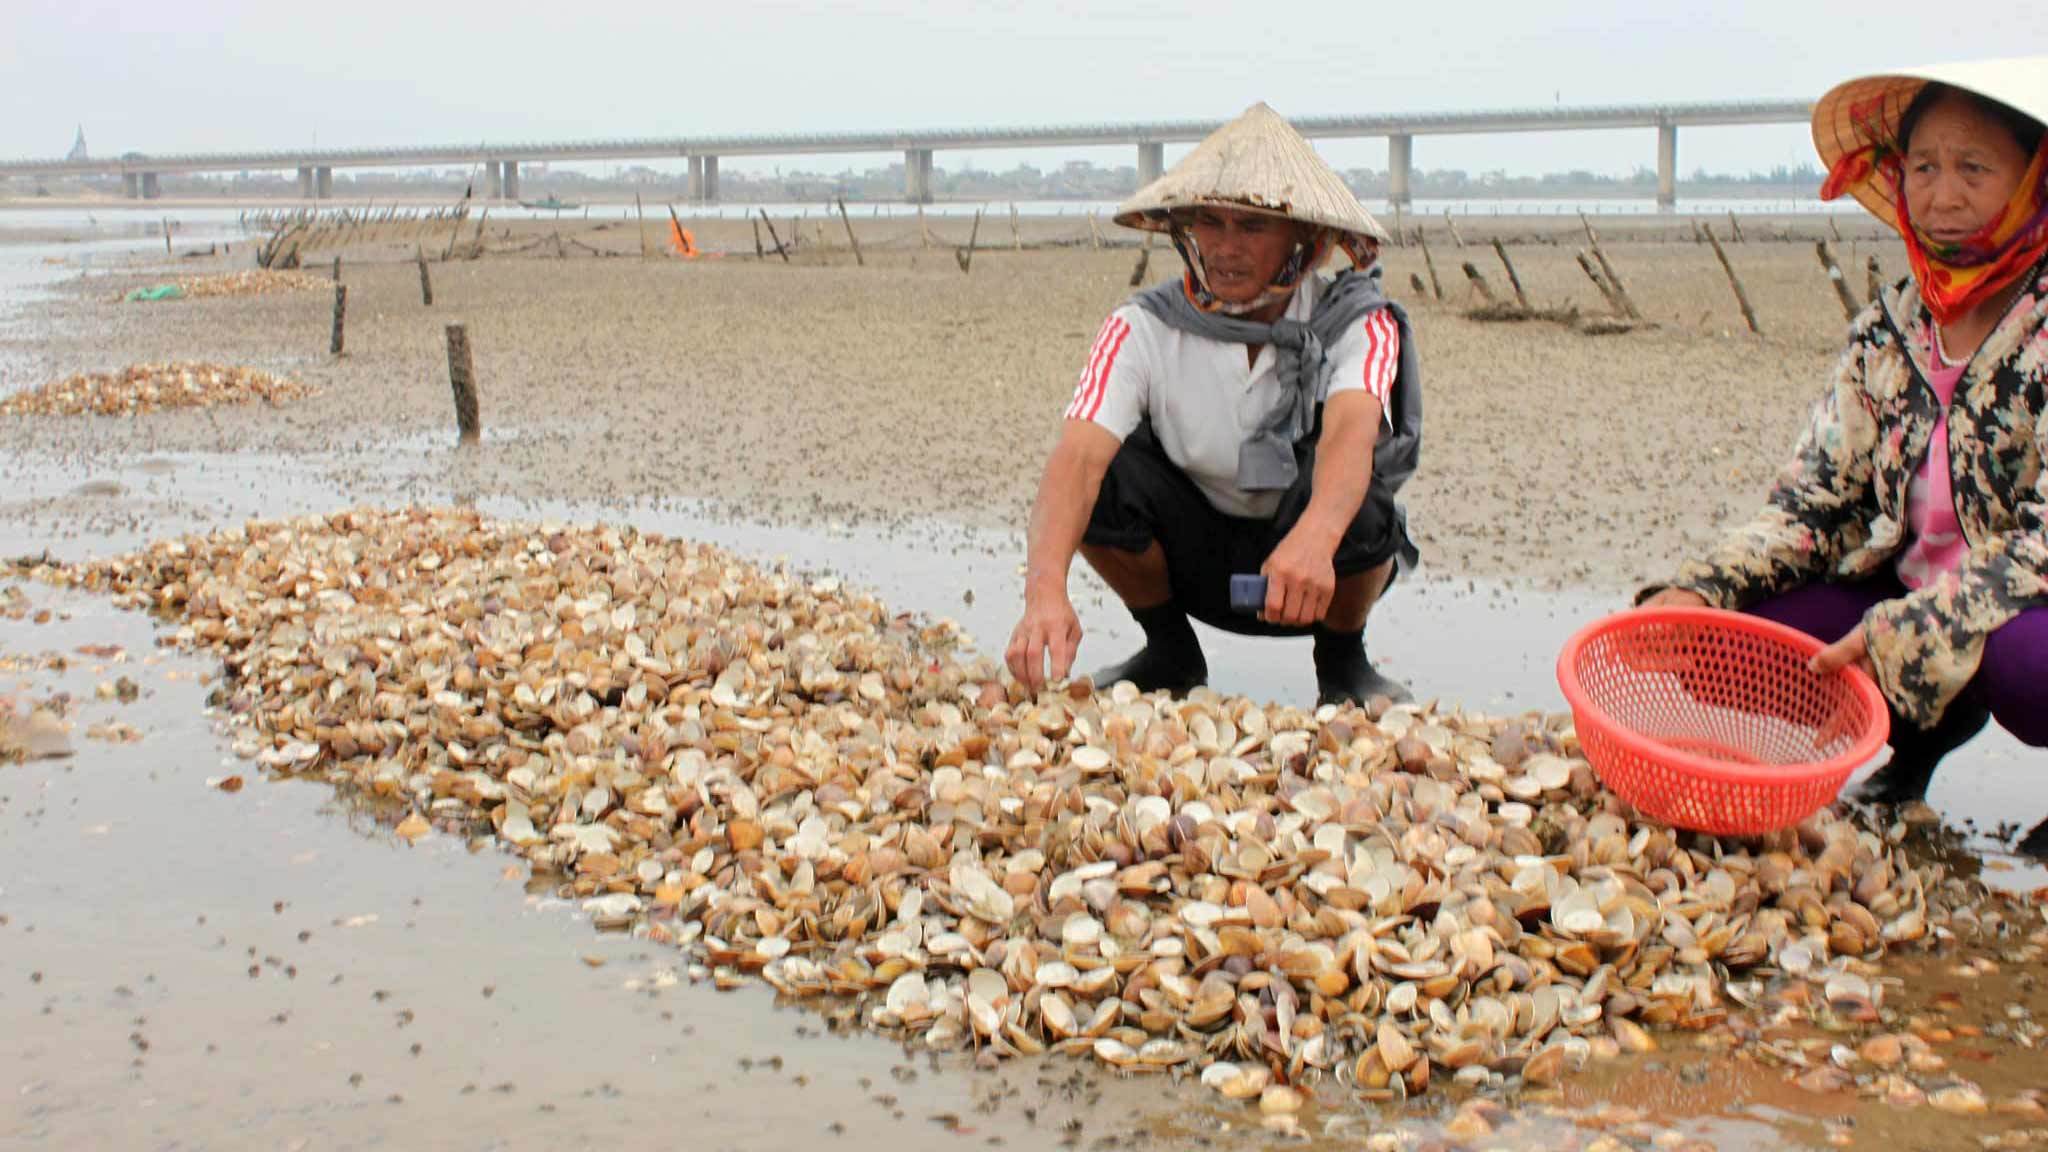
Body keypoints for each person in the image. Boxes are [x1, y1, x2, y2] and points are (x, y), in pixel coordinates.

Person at [1641, 59, 2048, 857]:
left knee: (2031, 666)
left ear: (2034, 180)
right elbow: (1815, 500)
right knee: (1727, 644)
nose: (1943, 194)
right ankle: (1920, 744)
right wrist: (1700, 588)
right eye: (1924, 167)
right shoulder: (1888, 331)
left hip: (2021, 611)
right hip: (1908, 591)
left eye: (1974, 168)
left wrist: (1911, 629)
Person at [1005, 104, 1421, 706]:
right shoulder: (1141, 327)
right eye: (1209, 222)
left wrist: (1315, 538)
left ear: (1304, 239)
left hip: (1316, 575)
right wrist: (1044, 591)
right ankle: (1169, 648)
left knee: (1365, 502)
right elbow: (1077, 458)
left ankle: (1342, 661)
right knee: (1108, 479)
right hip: (1193, 564)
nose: (1225, 247)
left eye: (1251, 226)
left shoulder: (1358, 322)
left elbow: (1350, 436)